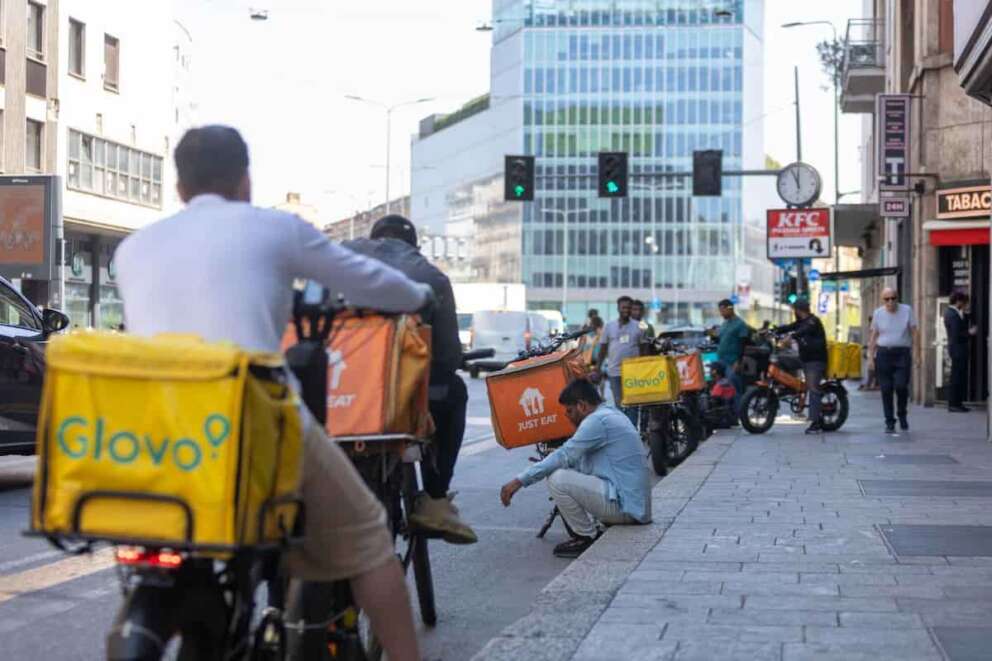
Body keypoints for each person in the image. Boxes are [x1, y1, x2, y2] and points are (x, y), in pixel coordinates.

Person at [114, 126, 423, 660]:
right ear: (245, 178)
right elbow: (371, 281)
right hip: (254, 421)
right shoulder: (276, 229)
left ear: (180, 185)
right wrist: (417, 293)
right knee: (370, 539)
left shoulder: (133, 248)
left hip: (157, 434)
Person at [344, 215, 476, 544]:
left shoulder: (341, 255)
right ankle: (434, 497)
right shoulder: (432, 276)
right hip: (401, 393)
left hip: (339, 390)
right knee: (454, 392)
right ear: (415, 247)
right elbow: (446, 356)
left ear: (372, 238)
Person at [498, 379, 652, 558]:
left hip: (627, 509)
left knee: (557, 478)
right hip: (634, 506)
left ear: (582, 406)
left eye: (569, 411)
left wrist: (519, 481)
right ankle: (589, 531)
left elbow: (564, 456)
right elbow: (582, 462)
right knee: (566, 470)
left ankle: (585, 536)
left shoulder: (597, 421)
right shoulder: (610, 413)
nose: (567, 416)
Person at [773, 300, 829, 434]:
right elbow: (789, 327)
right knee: (781, 360)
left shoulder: (812, 321)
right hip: (803, 358)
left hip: (815, 361)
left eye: (794, 310)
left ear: (799, 310)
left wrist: (790, 336)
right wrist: (773, 330)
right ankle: (788, 388)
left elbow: (803, 330)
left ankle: (816, 424)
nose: (794, 313)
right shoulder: (800, 322)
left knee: (813, 388)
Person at [867, 287, 919, 434]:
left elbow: (915, 333)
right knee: (886, 389)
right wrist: (871, 358)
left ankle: (902, 414)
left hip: (902, 354)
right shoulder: (878, 313)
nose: (890, 302)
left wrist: (918, 354)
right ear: (883, 300)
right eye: (887, 299)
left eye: (893, 298)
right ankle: (889, 421)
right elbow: (873, 336)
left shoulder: (907, 310)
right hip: (883, 354)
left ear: (897, 298)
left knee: (901, 386)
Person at [592, 296, 643, 426]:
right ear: (618, 308)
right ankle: (624, 431)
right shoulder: (609, 326)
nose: (626, 310)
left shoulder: (639, 327)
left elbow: (644, 349)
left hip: (634, 373)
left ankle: (632, 432)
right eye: (623, 307)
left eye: (629, 308)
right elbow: (603, 349)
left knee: (633, 405)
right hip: (614, 372)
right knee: (619, 405)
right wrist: (597, 369)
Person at [713, 299, 751, 414]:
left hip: (733, 361)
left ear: (730, 308)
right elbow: (720, 339)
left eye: (722, 310)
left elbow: (744, 344)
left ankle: (738, 414)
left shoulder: (740, 324)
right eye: (720, 311)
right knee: (722, 389)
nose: (721, 313)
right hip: (721, 361)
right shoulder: (724, 324)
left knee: (734, 388)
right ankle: (726, 414)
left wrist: (738, 361)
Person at [944, 291, 977, 412]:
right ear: (958, 301)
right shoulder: (952, 314)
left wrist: (967, 315)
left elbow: (963, 320)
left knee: (959, 376)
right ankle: (954, 404)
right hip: (957, 349)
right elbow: (956, 334)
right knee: (957, 377)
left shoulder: (956, 312)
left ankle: (957, 403)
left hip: (959, 349)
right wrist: (970, 332)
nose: (965, 305)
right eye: (964, 302)